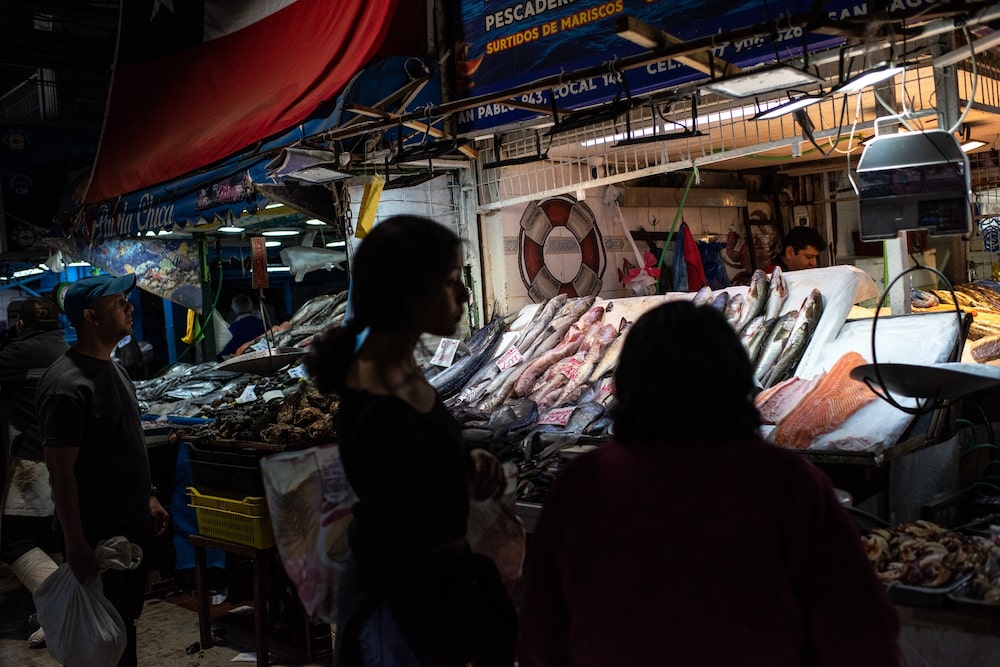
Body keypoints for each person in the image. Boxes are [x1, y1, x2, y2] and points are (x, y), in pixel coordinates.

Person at [517, 301, 901, 666]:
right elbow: (861, 632)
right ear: (736, 381)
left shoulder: (582, 483)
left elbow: (540, 629)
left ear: (627, 386)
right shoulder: (791, 485)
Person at [305, 215, 517, 667]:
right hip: (401, 614)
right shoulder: (377, 394)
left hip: (428, 599)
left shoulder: (399, 372)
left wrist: (466, 460)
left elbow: (417, 470)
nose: (463, 294)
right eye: (451, 281)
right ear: (408, 292)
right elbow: (398, 522)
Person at [36, 274, 170, 667]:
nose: (129, 307)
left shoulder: (115, 370)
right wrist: (75, 543)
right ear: (91, 317)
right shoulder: (66, 384)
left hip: (128, 526)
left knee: (122, 625)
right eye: (118, 303)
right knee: (100, 637)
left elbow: (125, 442)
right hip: (96, 534)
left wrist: (148, 495)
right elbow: (61, 474)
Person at [0, 298, 68, 649]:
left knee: (12, 539)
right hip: (62, 460)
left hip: (31, 461)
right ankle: (52, 612)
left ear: (21, 325)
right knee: (45, 534)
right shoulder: (65, 346)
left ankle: (63, 607)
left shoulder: (18, 353)